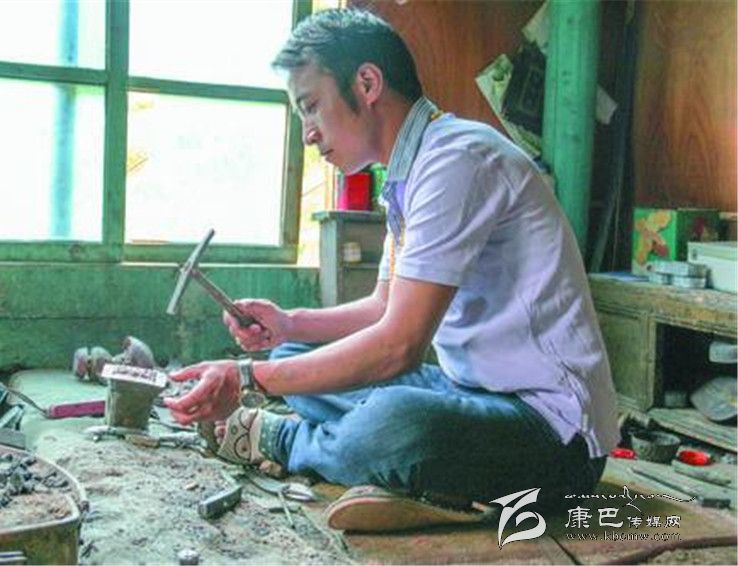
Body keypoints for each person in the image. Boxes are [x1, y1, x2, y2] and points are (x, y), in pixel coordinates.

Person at [165, 8, 619, 509]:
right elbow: (384, 306)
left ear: (367, 83)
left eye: (311, 107)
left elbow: (398, 346)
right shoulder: (409, 175)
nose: (308, 133)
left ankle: (286, 440)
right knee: (291, 355)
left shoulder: (456, 161)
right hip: (466, 390)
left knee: (397, 423)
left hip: (553, 434)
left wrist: (245, 377)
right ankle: (381, 461)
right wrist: (290, 323)